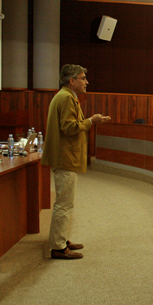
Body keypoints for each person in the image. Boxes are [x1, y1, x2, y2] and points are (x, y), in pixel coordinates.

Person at [41, 64, 111, 260]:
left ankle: (61, 239)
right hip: (65, 158)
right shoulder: (66, 97)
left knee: (65, 202)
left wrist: (91, 121)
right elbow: (69, 127)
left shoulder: (65, 95)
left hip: (65, 157)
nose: (86, 82)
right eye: (83, 78)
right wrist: (91, 121)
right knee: (64, 204)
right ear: (72, 81)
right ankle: (58, 247)